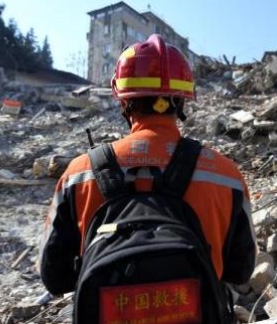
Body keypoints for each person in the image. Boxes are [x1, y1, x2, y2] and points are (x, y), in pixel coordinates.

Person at [38, 34, 256, 307]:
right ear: (182, 101)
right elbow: (240, 271)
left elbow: (54, 278)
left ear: (122, 100)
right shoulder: (226, 175)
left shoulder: (78, 174)